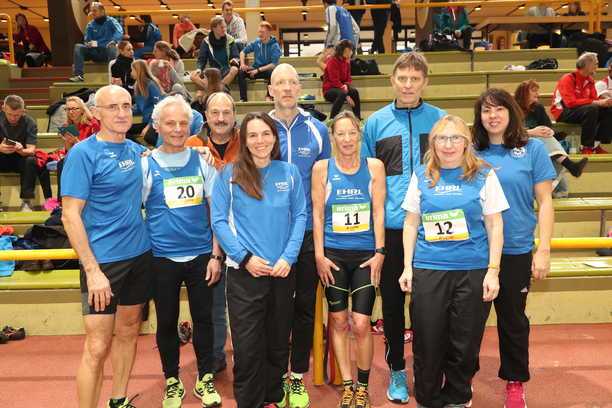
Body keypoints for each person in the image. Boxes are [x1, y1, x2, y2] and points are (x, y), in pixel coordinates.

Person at [400, 114, 508, 408]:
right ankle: (428, 397)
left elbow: (495, 225)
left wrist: (493, 271)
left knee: (465, 341)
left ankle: (459, 396)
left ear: (466, 142)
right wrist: (408, 266)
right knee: (428, 339)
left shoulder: (484, 175)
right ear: (433, 143)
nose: (448, 145)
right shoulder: (421, 175)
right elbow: (411, 223)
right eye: (442, 138)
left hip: (472, 270)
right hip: (429, 269)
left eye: (455, 138)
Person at [361, 52, 446, 404]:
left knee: (429, 307)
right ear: (392, 80)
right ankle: (397, 368)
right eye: (402, 78)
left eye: (415, 79)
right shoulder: (376, 123)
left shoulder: (440, 120)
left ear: (425, 82)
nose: (408, 85)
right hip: (393, 229)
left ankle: (428, 369)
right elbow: (366, 177)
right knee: (393, 305)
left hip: (432, 230)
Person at [61, 85, 151, 408]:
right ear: (96, 113)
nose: (122, 113)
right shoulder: (82, 154)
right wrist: (92, 270)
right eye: (113, 107)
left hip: (140, 255)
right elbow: (70, 215)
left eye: (126, 105)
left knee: (128, 331)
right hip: (103, 263)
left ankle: (118, 399)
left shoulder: (136, 151)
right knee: (97, 346)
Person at [211, 112, 307, 408]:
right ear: (244, 140)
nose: (260, 140)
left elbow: (300, 216)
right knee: (248, 347)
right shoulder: (229, 174)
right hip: (245, 275)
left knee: (278, 343)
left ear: (275, 138)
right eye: (252, 135)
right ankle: (250, 402)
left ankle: (273, 398)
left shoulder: (289, 172)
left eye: (266, 133)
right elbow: (218, 221)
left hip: (281, 272)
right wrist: (244, 258)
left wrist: (288, 257)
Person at [473, 88, 556, 408]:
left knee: (513, 321)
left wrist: (544, 249)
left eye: (499, 109)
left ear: (511, 112)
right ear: (479, 117)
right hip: (475, 251)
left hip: (516, 249)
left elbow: (545, 202)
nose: (492, 116)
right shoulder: (469, 151)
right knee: (469, 321)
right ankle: (463, 377)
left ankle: (515, 381)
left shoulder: (532, 149)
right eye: (486, 110)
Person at [142, 95, 222, 408]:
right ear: (157, 126)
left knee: (204, 319)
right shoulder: (146, 165)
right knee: (167, 321)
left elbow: (216, 212)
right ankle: (172, 381)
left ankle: (205, 377)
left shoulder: (203, 161)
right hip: (162, 258)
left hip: (201, 256)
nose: (177, 129)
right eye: (170, 123)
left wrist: (216, 255)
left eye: (182, 123)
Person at [311, 111, 386, 408]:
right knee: (339, 320)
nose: (346, 139)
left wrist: (380, 252)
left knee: (362, 322)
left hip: (366, 255)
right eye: (340, 133)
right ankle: (347, 385)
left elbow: (379, 211)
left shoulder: (374, 167)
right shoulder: (322, 169)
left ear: (359, 135)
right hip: (334, 255)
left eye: (351, 133)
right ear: (332, 137)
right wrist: (319, 255)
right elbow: (318, 214)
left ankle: (363, 386)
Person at [267, 63, 332, 408]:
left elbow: (329, 181)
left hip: (308, 234)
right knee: (277, 309)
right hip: (271, 236)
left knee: (305, 307)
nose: (287, 88)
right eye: (281, 83)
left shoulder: (318, 129)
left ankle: (297, 375)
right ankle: (277, 373)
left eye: (293, 82)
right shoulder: (259, 129)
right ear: (270, 90)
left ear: (300, 88)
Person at [515, 80, 588, 184]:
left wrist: (548, 131)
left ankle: (560, 183)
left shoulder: (538, 107)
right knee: (545, 143)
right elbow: (511, 131)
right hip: (517, 141)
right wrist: (531, 132)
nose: (537, 94)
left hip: (537, 143)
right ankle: (570, 167)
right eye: (534, 90)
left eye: (537, 91)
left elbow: (547, 125)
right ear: (524, 92)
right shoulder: (512, 108)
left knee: (547, 143)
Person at [551, 52, 612, 154]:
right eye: (596, 64)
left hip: (582, 111)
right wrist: (596, 102)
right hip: (563, 112)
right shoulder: (568, 78)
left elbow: (594, 100)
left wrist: (605, 103)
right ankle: (586, 147)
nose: (597, 66)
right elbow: (570, 103)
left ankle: (596, 144)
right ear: (587, 64)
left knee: (608, 109)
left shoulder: (590, 80)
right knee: (592, 108)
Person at [0, 95, 49, 211]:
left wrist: (21, 150)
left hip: (20, 159)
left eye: (17, 115)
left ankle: (26, 201)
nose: (13, 118)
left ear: (23, 111)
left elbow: (31, 150)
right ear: (3, 109)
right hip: (2, 158)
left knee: (31, 160)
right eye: (9, 114)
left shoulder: (30, 122)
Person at [56, 96, 101, 202]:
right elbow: (69, 152)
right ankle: (62, 201)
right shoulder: (67, 126)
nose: (71, 112)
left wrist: (76, 141)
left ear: (82, 110)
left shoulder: (90, 125)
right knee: (62, 163)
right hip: (74, 158)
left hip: (90, 158)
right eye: (68, 109)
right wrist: (68, 141)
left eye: (74, 109)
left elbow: (93, 149)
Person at [70, 2, 123, 82]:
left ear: (102, 11)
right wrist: (88, 44)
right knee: (78, 47)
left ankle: (114, 76)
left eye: (94, 11)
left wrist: (113, 41)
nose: (92, 13)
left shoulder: (111, 21)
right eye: (91, 11)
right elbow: (87, 41)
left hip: (107, 52)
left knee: (112, 47)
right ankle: (79, 75)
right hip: (95, 52)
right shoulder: (90, 25)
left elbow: (119, 32)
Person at [238, 21, 281, 102]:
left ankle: (269, 96)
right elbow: (242, 52)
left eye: (262, 32)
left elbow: (273, 64)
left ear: (269, 33)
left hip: (266, 70)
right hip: (255, 69)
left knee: (273, 73)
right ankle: (243, 98)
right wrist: (242, 64)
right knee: (241, 72)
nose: (260, 34)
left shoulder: (275, 45)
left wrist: (258, 70)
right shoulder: (256, 42)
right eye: (259, 32)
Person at [323, 40, 361, 120]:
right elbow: (334, 80)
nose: (350, 52)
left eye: (351, 50)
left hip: (342, 88)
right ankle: (332, 119)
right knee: (342, 94)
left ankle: (357, 118)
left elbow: (348, 78)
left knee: (354, 92)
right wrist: (347, 96)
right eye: (348, 50)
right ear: (341, 51)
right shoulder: (332, 61)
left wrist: (346, 85)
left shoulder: (346, 62)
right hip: (330, 89)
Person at [197, 16, 240, 87]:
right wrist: (199, 69)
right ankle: (216, 88)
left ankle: (220, 88)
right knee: (193, 76)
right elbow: (201, 60)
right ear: (214, 28)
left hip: (227, 69)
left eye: (225, 27)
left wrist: (234, 60)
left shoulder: (230, 39)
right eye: (222, 27)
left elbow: (236, 56)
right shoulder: (206, 41)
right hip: (213, 70)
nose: (224, 30)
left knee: (234, 69)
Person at [131, 59, 164, 132]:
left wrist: (149, 125)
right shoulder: (138, 86)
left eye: (132, 70)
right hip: (145, 121)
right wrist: (127, 110)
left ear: (138, 71)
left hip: (153, 123)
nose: (131, 72)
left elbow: (158, 107)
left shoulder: (151, 85)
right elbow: (139, 108)